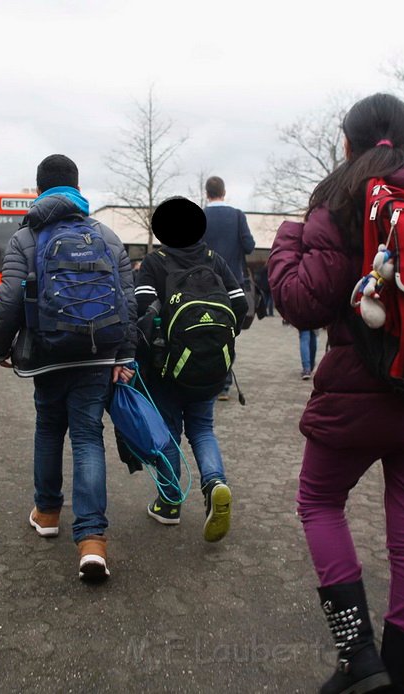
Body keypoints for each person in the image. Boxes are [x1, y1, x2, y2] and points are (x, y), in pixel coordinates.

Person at [269, 93, 404, 694]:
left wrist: (288, 240)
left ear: (347, 143)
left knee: (318, 502)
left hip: (361, 392)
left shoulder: (339, 198)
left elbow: (302, 302)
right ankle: (402, 677)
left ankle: (360, 659)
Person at [0, 153, 136, 582]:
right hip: (97, 354)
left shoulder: (26, 238)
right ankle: (92, 543)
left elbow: (10, 300)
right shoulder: (106, 235)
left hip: (48, 355)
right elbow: (128, 302)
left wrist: (0, 346)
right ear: (76, 186)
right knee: (89, 436)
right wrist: (125, 357)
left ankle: (48, 513)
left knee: (49, 428)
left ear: (39, 190)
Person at [133, 197, 248, 541]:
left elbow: (141, 311)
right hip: (210, 367)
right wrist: (214, 341)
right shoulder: (214, 260)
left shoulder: (155, 263)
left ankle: (169, 504)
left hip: (166, 370)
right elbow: (241, 304)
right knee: (202, 429)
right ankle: (214, 484)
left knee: (168, 432)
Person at [202, 176, 255, 400]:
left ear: (207, 193)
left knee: (203, 329)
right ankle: (223, 383)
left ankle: (206, 378)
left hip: (204, 283)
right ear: (224, 191)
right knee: (228, 331)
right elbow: (250, 246)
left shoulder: (201, 216)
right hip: (232, 283)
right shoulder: (237, 216)